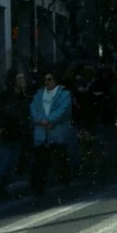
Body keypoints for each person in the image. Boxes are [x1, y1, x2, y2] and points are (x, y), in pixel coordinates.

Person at [30, 69, 73, 197]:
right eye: (45, 80)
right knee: (41, 162)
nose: (47, 82)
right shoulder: (38, 95)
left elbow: (63, 110)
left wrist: (48, 120)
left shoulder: (64, 94)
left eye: (50, 79)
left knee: (60, 159)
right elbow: (33, 110)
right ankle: (40, 188)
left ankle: (65, 183)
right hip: (42, 134)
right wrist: (42, 121)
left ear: (55, 80)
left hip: (57, 132)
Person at [0, 70, 32, 199]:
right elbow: (3, 113)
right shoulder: (7, 96)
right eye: (19, 78)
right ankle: (2, 188)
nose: (22, 81)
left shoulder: (24, 96)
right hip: (10, 132)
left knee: (24, 159)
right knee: (7, 161)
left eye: (23, 78)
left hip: (23, 132)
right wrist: (0, 128)